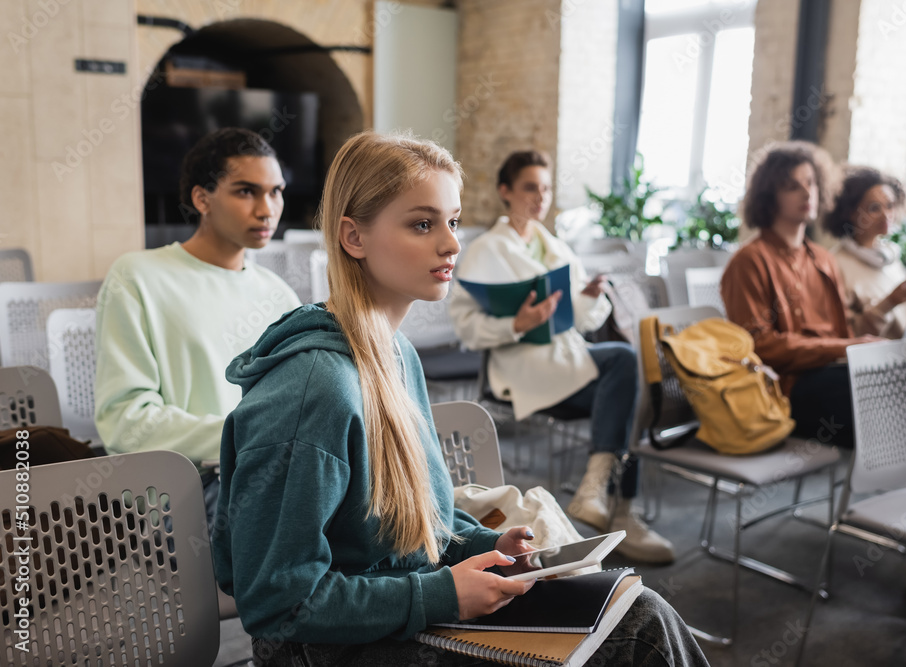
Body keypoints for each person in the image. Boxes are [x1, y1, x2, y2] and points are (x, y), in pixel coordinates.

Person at [210, 132, 710, 666]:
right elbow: (276, 603)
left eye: (451, 222)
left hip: (400, 603)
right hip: (322, 649)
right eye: (422, 224)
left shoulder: (397, 355)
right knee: (637, 636)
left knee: (637, 610)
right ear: (353, 237)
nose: (451, 244)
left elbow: (417, 527)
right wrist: (442, 594)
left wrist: (482, 548)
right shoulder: (314, 390)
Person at [721, 140, 906, 620]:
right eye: (792, 186)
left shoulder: (821, 259)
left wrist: (876, 330)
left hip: (839, 376)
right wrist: (848, 348)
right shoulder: (750, 261)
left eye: (811, 184)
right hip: (792, 393)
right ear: (769, 195)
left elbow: (845, 333)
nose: (807, 194)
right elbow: (759, 346)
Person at [448, 150, 675, 564]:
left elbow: (582, 322)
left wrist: (588, 298)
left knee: (632, 391)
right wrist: (517, 323)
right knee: (622, 361)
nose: (540, 197)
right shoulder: (486, 251)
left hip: (567, 361)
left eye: (547, 188)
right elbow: (466, 329)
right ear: (506, 191)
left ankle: (617, 508)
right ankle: (606, 501)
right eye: (530, 187)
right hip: (522, 368)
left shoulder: (553, 246)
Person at [94, 128, 301, 530]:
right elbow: (125, 423)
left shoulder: (279, 295)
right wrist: (245, 439)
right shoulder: (137, 278)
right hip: (182, 491)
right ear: (201, 198)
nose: (267, 209)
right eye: (246, 192)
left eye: (275, 191)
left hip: (271, 472)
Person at [824, 166, 906, 338]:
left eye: (890, 206)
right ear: (851, 213)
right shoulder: (835, 264)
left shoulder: (890, 258)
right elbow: (849, 335)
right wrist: (889, 303)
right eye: (874, 208)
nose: (886, 215)